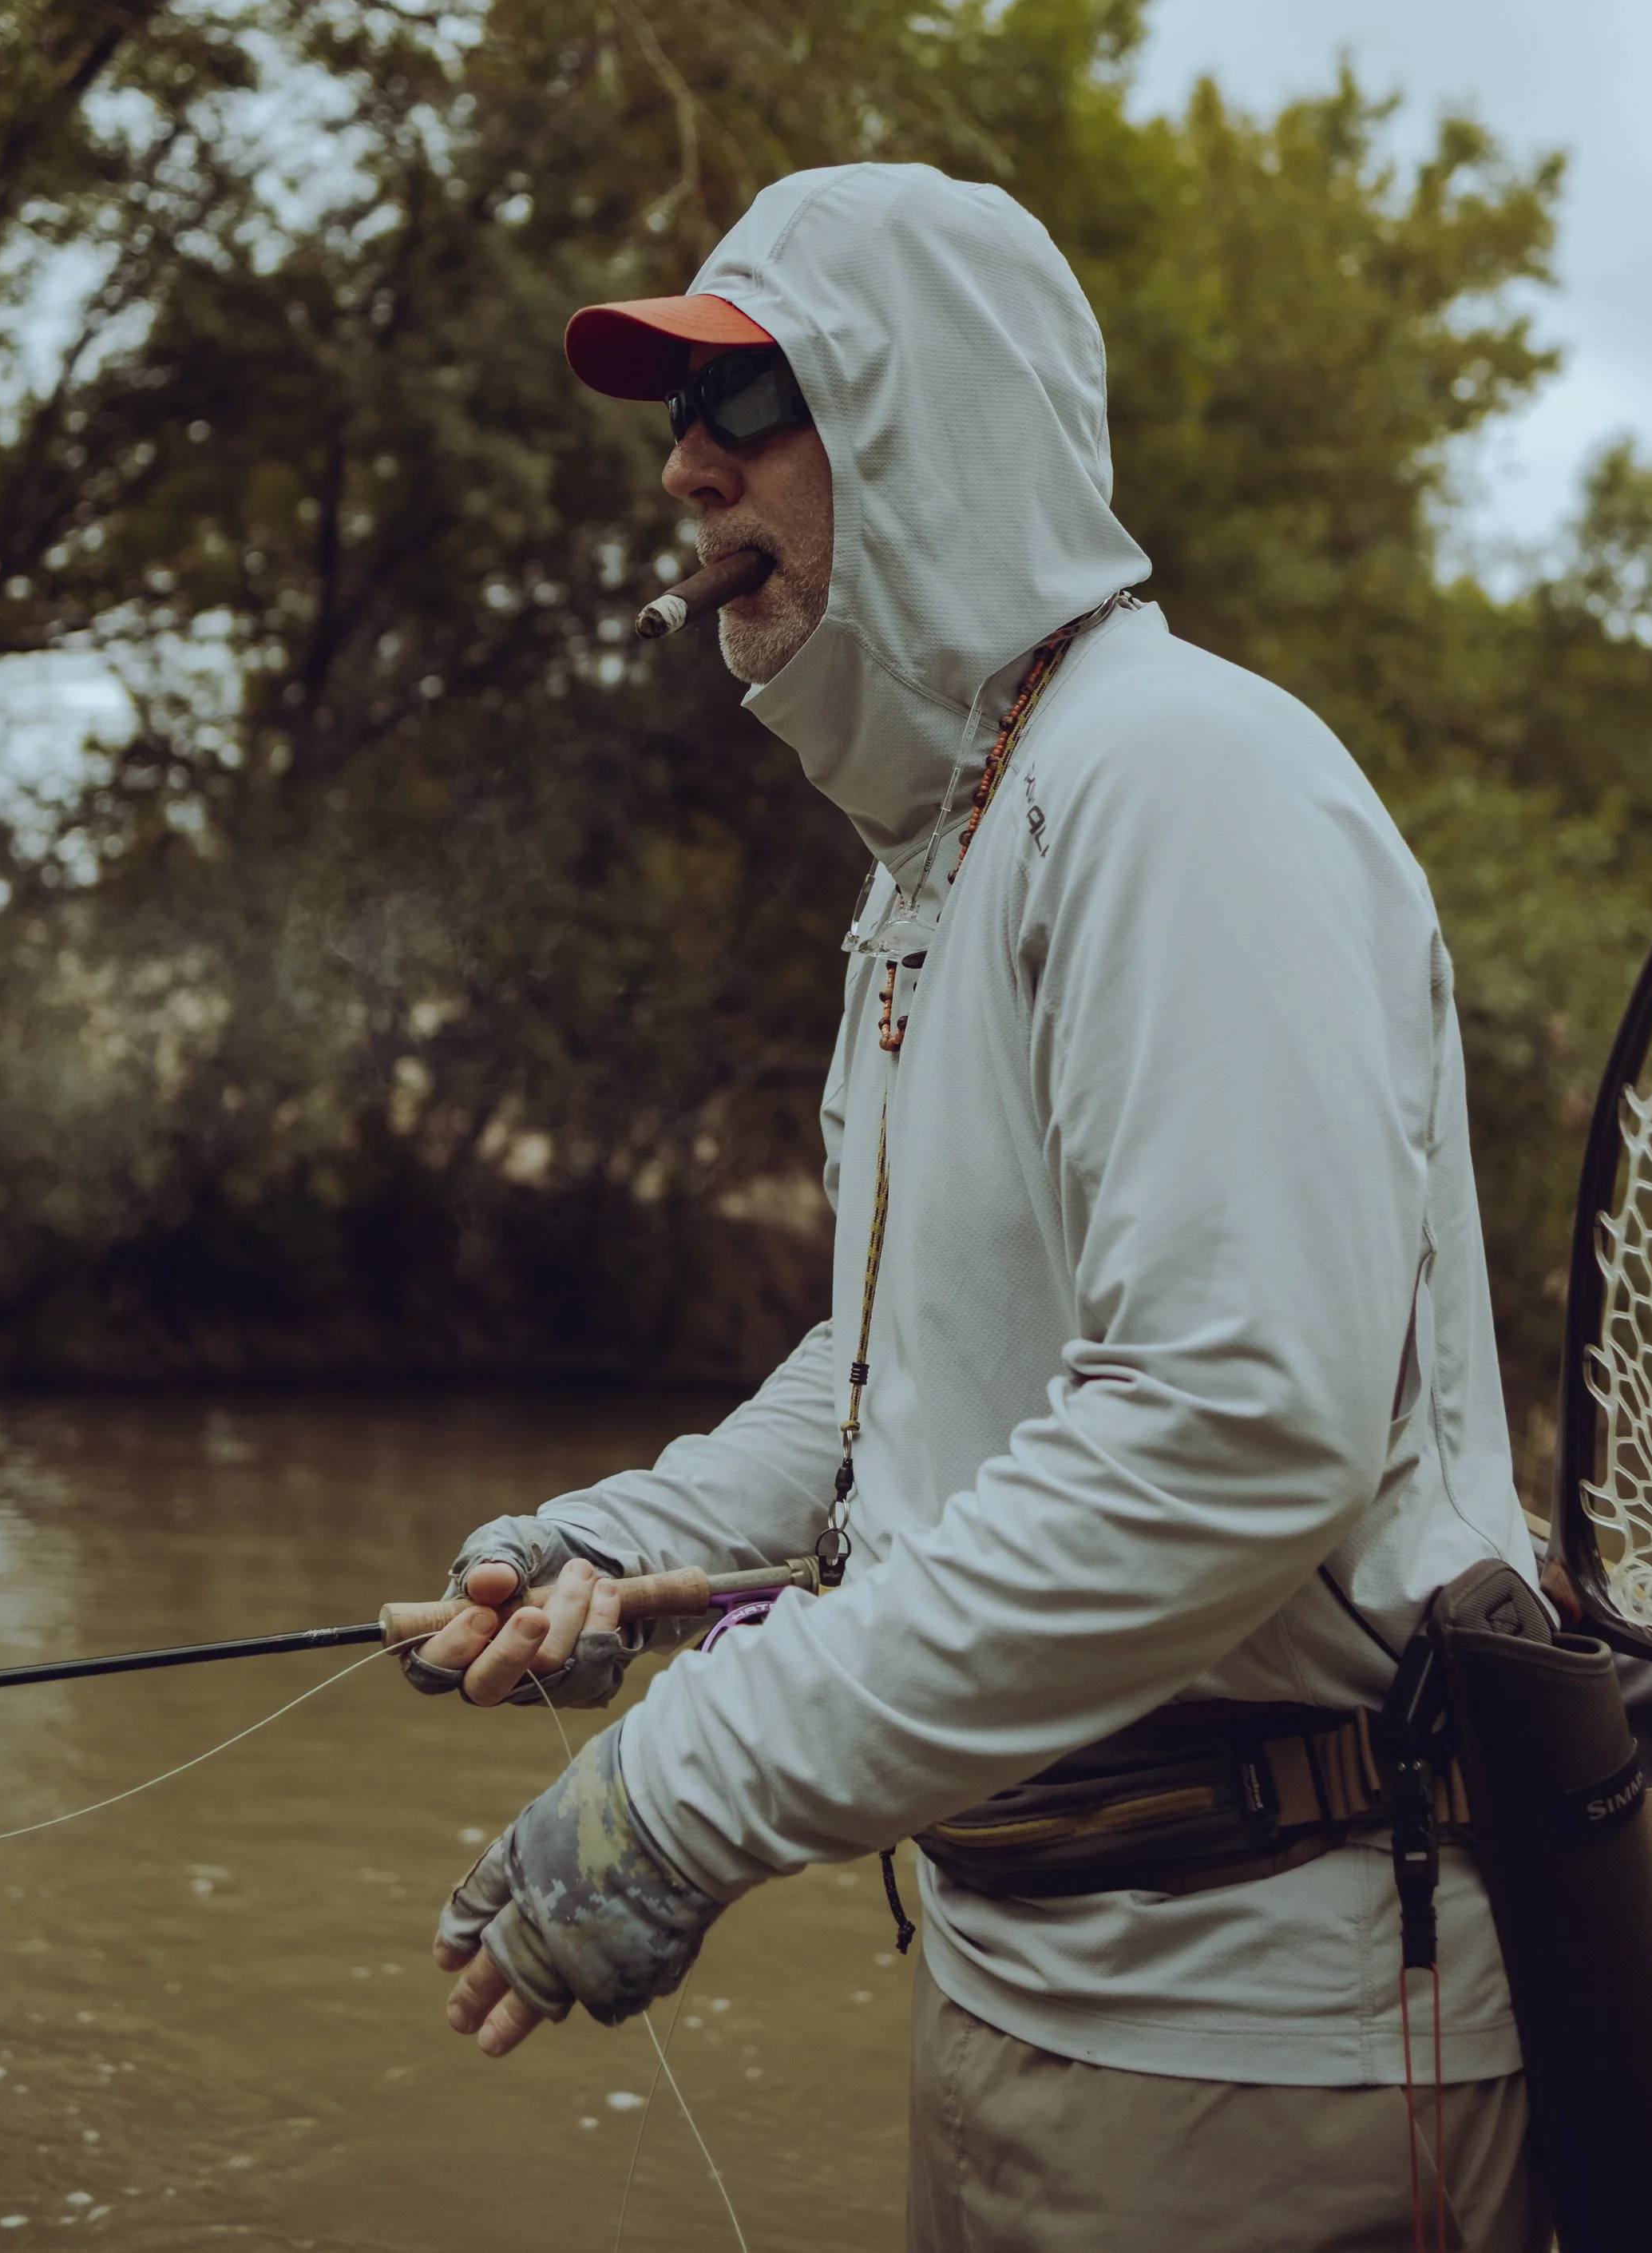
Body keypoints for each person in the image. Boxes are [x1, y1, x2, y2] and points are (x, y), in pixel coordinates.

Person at [405, 162, 1551, 2251]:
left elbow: (1232, 1422)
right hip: (1022, 1982)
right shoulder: (940, 860)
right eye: (677, 417)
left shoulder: (1182, 784)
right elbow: (899, 1361)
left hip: (1267, 2035)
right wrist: (625, 1542)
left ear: (921, 418)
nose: (683, 472)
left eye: (744, 398)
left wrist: (690, 1782)